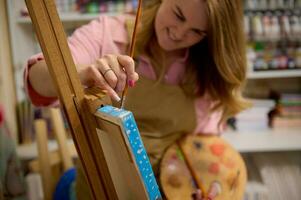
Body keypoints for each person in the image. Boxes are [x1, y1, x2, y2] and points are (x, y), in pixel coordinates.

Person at [24, 0, 249, 199]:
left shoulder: (206, 70)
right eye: (178, 15)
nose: (179, 33)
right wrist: (82, 72)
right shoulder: (107, 34)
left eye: (197, 31)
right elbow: (36, 79)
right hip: (97, 190)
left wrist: (204, 184)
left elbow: (203, 148)